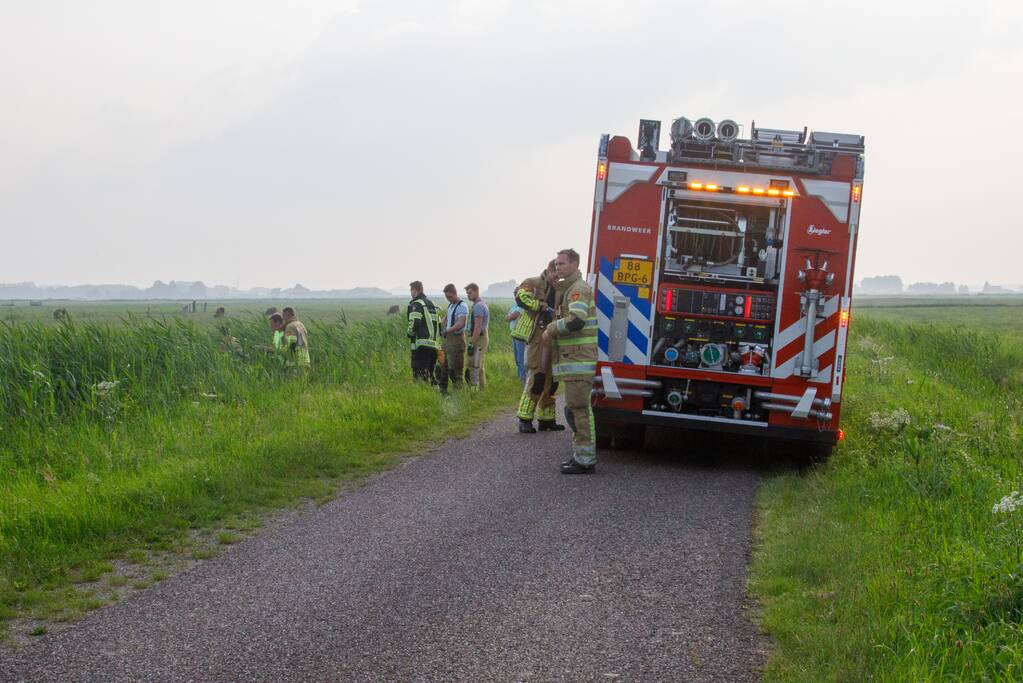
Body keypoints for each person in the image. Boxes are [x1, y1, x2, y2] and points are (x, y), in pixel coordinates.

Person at [543, 248, 598, 474]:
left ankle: (585, 461)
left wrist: (551, 329)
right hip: (574, 361)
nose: (558, 268)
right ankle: (580, 457)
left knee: (578, 411)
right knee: (574, 410)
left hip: (579, 361)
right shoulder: (567, 288)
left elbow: (576, 321)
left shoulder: (578, 290)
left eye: (562, 264)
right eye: (556, 265)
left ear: (575, 264)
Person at [514, 259, 565, 433]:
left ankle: (546, 420)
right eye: (556, 276)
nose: (558, 280)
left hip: (553, 339)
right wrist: (540, 306)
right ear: (549, 270)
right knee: (537, 377)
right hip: (536, 337)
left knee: (552, 380)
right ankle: (525, 419)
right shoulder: (533, 283)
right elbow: (521, 298)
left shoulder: (560, 288)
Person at [406, 281, 440, 382]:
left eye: (411, 290)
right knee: (429, 374)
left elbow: (414, 323)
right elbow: (439, 324)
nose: (411, 293)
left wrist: (409, 333)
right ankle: (434, 394)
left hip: (421, 346)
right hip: (434, 346)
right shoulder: (432, 304)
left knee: (419, 375)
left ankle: (422, 395)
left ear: (415, 290)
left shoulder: (416, 304)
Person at [440, 283, 468, 392]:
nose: (449, 299)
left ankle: (459, 393)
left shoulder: (462, 306)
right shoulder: (450, 305)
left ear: (456, 293)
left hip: (457, 339)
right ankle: (443, 391)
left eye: (450, 297)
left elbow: (460, 324)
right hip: (447, 339)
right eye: (447, 297)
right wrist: (441, 323)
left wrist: (447, 330)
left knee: (456, 369)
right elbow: (447, 317)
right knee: (443, 365)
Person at [464, 283, 489, 390]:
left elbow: (478, 327)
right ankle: (480, 388)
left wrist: (471, 342)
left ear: (476, 291)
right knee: (476, 364)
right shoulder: (478, 304)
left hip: (478, 338)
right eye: (467, 293)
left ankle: (475, 389)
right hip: (478, 337)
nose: (468, 295)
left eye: (470, 293)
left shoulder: (478, 306)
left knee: (475, 364)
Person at [281, 306, 312, 371]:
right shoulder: (301, 325)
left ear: (287, 315)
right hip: (306, 360)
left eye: (283, 316)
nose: (283, 319)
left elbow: (291, 344)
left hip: (296, 362)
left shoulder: (290, 326)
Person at [506, 303, 527, 382]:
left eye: (516, 293)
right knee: (517, 358)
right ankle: (520, 377)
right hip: (514, 334)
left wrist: (510, 317)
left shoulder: (522, 306)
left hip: (520, 335)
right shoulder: (514, 305)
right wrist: (509, 317)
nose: (515, 295)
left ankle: (523, 378)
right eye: (514, 293)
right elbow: (507, 317)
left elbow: (513, 316)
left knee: (520, 358)